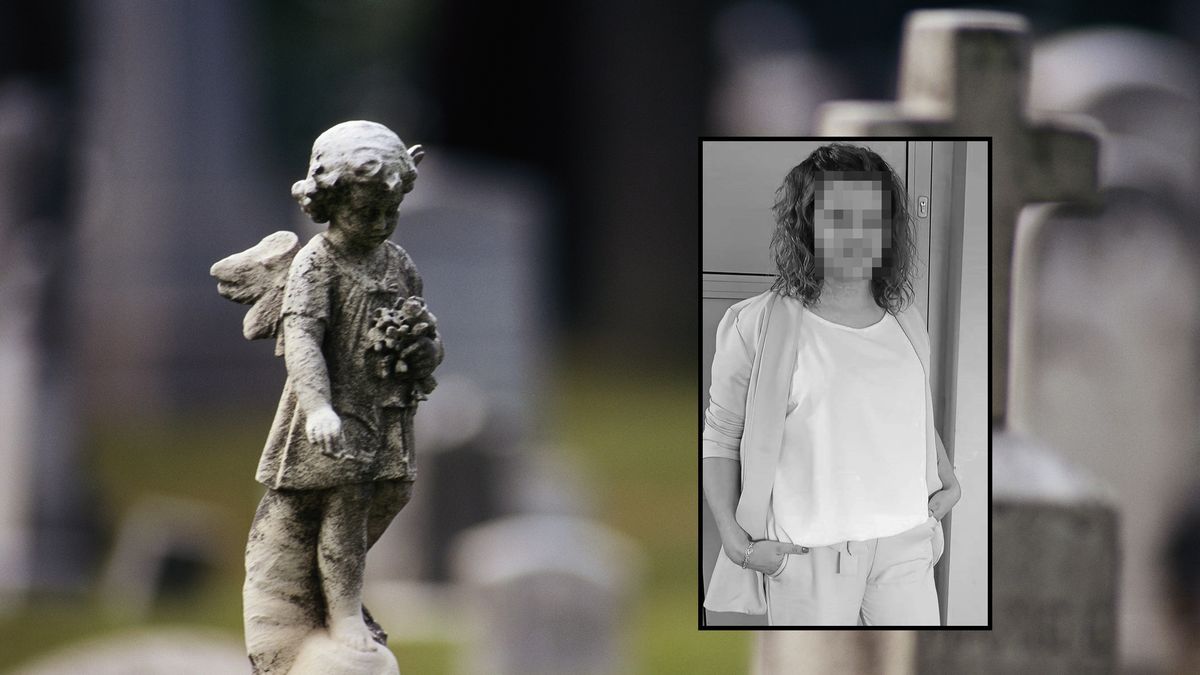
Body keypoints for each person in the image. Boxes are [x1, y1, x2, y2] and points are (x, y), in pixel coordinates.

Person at [702, 143, 961, 626]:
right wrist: (737, 544)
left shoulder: (906, 320)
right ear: (807, 224)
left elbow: (909, 412)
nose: (855, 234)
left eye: (871, 217)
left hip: (905, 544)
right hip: (807, 555)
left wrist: (949, 480)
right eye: (837, 215)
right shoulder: (753, 324)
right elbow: (720, 435)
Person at [237, 120, 443, 665]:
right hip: (338, 407)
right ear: (328, 202)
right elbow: (301, 336)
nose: (379, 223)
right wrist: (317, 407)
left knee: (394, 492)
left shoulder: (399, 263)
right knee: (347, 506)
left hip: (388, 407)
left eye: (389, 212)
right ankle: (345, 609)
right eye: (365, 212)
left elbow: (422, 329)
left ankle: (331, 582)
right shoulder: (317, 262)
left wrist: (425, 353)